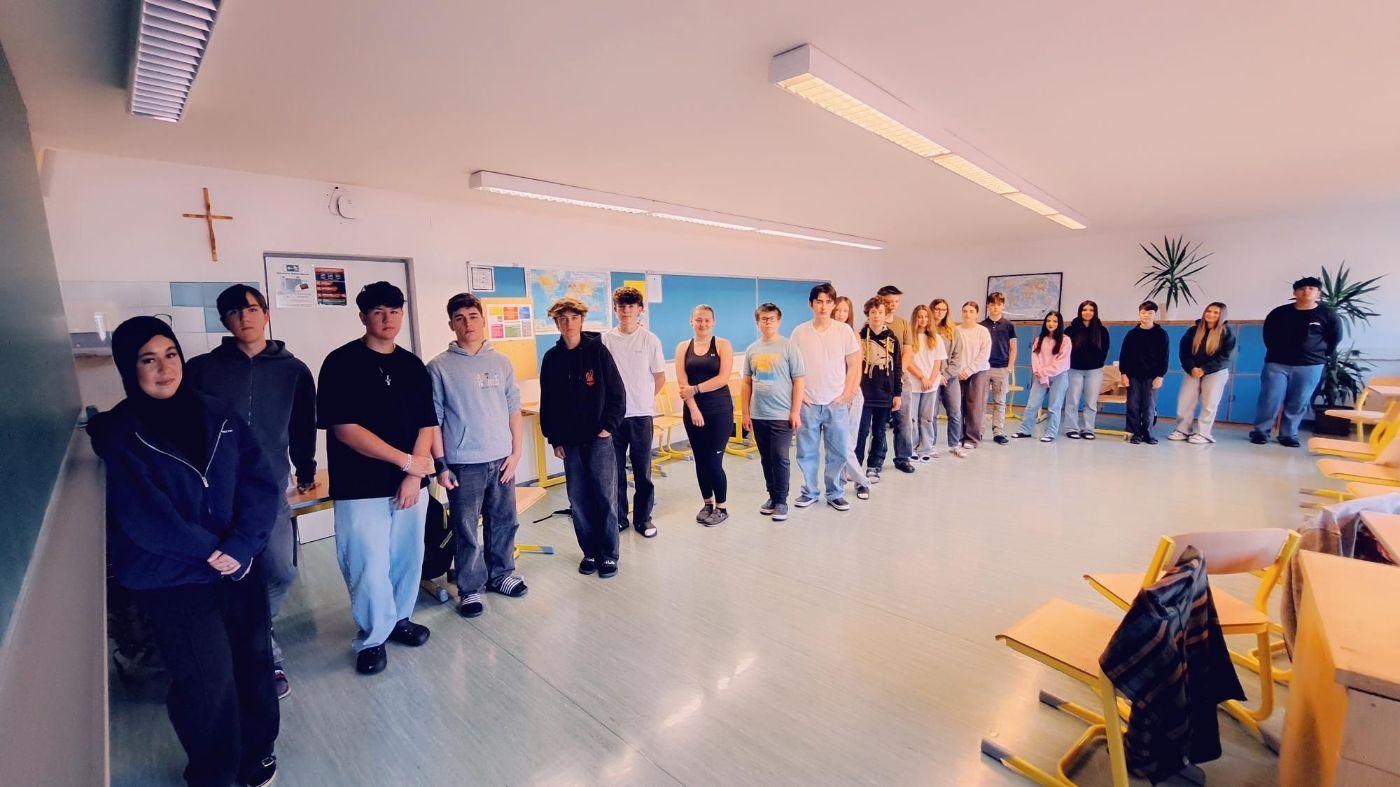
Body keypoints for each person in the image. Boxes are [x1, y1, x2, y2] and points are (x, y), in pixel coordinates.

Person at [88, 316, 281, 787]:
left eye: (171, 354)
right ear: (128, 368)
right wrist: (215, 551)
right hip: (172, 576)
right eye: (148, 360)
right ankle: (213, 772)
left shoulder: (219, 414)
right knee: (205, 679)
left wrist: (241, 545)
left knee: (252, 660)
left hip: (237, 565)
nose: (164, 368)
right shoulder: (119, 433)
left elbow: (259, 483)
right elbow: (144, 514)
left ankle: (256, 754)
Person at [185, 284, 316, 701]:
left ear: (266, 314)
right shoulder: (201, 369)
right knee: (230, 574)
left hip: (269, 488)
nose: (245, 317)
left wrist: (306, 468)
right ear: (224, 320)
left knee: (281, 571)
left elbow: (302, 426)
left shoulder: (294, 370)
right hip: (216, 494)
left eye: (253, 309)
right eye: (235, 312)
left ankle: (255, 633)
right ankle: (263, 655)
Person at [317, 281, 437, 675]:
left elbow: (427, 423)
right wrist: (406, 463)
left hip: (409, 483)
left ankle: (400, 618)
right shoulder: (341, 362)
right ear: (363, 317)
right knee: (367, 561)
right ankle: (372, 636)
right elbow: (345, 429)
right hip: (360, 484)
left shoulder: (412, 365)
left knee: (407, 555)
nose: (388, 319)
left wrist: (413, 475)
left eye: (395, 311)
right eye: (379, 312)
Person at [428, 293, 528, 620]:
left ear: (482, 320)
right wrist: (441, 465)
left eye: (472, 316)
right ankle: (470, 587)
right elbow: (433, 421)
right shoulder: (439, 367)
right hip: (463, 463)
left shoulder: (501, 362)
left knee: (504, 521)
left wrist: (516, 452)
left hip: (501, 459)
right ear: (451, 324)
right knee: (466, 527)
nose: (467, 323)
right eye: (459, 318)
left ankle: (501, 574)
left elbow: (513, 409)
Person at [539, 297, 626, 577]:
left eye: (574, 318)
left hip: (599, 439)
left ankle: (609, 554)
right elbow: (548, 402)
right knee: (578, 500)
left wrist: (608, 428)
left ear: (581, 321)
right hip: (570, 442)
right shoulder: (551, 359)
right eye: (562, 319)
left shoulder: (598, 352)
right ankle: (589, 552)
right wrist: (554, 439)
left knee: (605, 497)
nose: (568, 323)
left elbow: (617, 394)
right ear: (556, 323)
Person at [601, 286, 666, 538]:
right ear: (615, 309)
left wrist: (644, 400)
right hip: (612, 418)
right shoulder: (605, 340)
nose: (626, 311)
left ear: (640, 310)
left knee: (642, 471)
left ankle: (643, 518)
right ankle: (619, 518)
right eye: (621, 306)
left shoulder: (650, 339)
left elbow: (659, 377)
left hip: (641, 415)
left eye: (631, 306)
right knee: (615, 472)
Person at [791, 283, 862, 511]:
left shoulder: (844, 331)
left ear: (833, 304)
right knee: (806, 452)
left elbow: (854, 364)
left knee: (838, 452)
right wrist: (799, 397)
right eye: (819, 302)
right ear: (811, 304)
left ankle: (835, 493)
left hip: (836, 403)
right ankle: (810, 492)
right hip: (808, 403)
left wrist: (847, 393)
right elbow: (792, 367)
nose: (823, 306)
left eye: (828, 302)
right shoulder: (799, 332)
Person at [1250, 276, 1342, 447]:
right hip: (1277, 363)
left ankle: (1288, 434)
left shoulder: (1328, 315)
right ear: (1295, 293)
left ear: (1318, 293)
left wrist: (1319, 355)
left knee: (1299, 401)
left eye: (1311, 288)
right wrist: (1276, 352)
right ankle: (1260, 431)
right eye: (1302, 288)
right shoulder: (1279, 313)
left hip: (1310, 365)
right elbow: (1268, 335)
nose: (1306, 291)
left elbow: (1334, 339)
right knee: (1270, 398)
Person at [742, 303, 806, 522]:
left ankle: (781, 501)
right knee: (766, 458)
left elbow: (799, 380)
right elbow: (746, 383)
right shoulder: (752, 349)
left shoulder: (789, 347)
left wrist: (795, 411)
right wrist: (745, 413)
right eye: (763, 319)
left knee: (780, 457)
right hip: (759, 414)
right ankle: (772, 496)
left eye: (771, 319)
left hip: (782, 414)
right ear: (757, 322)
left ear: (778, 321)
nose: (767, 322)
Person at [675, 305, 735, 527]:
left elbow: (722, 378)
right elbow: (683, 383)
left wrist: (696, 389)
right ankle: (707, 503)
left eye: (707, 320)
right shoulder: (683, 347)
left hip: (719, 411)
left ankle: (722, 507)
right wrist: (693, 408)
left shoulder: (722, 345)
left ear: (713, 322)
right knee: (700, 459)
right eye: (698, 319)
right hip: (693, 412)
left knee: (713, 461)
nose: (703, 324)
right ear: (691, 321)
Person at [1171, 302, 1236, 444]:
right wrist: (1192, 368)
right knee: (1185, 401)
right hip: (1193, 370)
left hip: (1215, 372)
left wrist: (1204, 369)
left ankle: (1203, 433)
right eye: (1209, 311)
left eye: (1216, 312)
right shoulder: (1193, 330)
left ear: (1222, 316)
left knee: (1209, 403)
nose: (1211, 314)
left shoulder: (1227, 333)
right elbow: (1184, 351)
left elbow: (1226, 356)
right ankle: (1182, 430)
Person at [855, 297, 903, 483]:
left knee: (879, 431)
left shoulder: (893, 339)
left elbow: (897, 368)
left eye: (880, 312)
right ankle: (855, 465)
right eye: (873, 312)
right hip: (863, 394)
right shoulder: (858, 337)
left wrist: (897, 393)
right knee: (860, 432)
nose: (876, 316)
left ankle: (874, 466)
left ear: (886, 315)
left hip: (884, 394)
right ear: (868, 314)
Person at [1011, 310, 1073, 442]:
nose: (1051, 323)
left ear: (1059, 323)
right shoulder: (1039, 340)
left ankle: (1050, 433)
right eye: (1048, 320)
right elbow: (1035, 358)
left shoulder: (1066, 340)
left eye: (1055, 321)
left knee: (1054, 407)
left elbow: (1061, 362)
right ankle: (1024, 430)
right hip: (1040, 376)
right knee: (1032, 405)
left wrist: (1044, 372)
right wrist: (1041, 374)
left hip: (1059, 376)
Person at [833, 296, 872, 500]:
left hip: (852, 395)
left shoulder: (852, 334)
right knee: (840, 443)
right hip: (833, 395)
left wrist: (850, 391)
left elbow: (857, 367)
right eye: (838, 310)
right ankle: (855, 481)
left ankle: (860, 481)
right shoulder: (828, 333)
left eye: (844, 311)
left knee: (848, 442)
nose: (840, 314)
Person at [877, 285, 917, 473]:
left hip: (901, 379)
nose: (892, 305)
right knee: (879, 423)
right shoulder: (872, 322)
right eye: (888, 302)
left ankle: (903, 458)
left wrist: (898, 375)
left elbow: (908, 351)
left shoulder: (903, 324)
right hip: (879, 380)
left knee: (904, 421)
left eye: (896, 301)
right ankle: (876, 460)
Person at [1119, 300, 1170, 445]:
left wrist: (1160, 375)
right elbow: (1124, 355)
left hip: (1152, 377)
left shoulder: (1161, 334)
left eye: (1150, 313)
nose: (1146, 315)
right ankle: (1134, 433)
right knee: (1133, 405)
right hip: (1133, 376)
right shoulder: (1132, 334)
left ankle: (1147, 433)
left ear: (1155, 315)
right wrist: (1123, 374)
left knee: (1149, 406)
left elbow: (1164, 357)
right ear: (1139, 314)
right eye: (1143, 312)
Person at [1062, 300, 1111, 440]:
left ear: (1095, 312)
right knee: (1072, 400)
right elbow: (1065, 350)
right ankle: (1071, 428)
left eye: (1091, 310)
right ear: (1080, 311)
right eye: (1084, 309)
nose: (1087, 312)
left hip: (1094, 371)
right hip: (1074, 370)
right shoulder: (1070, 330)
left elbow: (1105, 349)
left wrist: (1098, 363)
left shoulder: (1102, 330)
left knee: (1091, 402)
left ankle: (1088, 429)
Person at [903, 304, 946, 461]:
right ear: (915, 318)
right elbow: (908, 362)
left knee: (927, 418)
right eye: (920, 316)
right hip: (914, 383)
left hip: (930, 385)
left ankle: (926, 448)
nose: (923, 319)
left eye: (926, 316)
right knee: (912, 418)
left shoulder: (936, 339)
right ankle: (912, 448)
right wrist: (922, 377)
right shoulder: (909, 338)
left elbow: (938, 362)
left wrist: (931, 380)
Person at [930, 299, 968, 459]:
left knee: (955, 411)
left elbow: (957, 357)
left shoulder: (953, 330)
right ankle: (930, 445)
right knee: (931, 414)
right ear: (931, 310)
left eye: (943, 309)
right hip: (931, 378)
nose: (940, 312)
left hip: (950, 378)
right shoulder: (926, 329)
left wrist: (945, 375)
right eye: (937, 309)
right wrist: (936, 376)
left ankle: (954, 444)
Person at [981, 292, 1019, 445]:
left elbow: (1013, 348)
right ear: (988, 306)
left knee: (1000, 402)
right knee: (981, 402)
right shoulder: (982, 325)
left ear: (1003, 306)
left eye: (998, 304)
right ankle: (979, 431)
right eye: (992, 304)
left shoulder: (1009, 325)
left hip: (1002, 368)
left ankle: (998, 432)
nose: (995, 307)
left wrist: (1009, 367)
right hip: (984, 368)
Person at [957, 301, 993, 449]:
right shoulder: (956, 330)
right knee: (957, 405)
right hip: (958, 373)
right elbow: (953, 352)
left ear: (977, 314)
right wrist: (958, 370)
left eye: (971, 311)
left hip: (978, 372)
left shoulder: (982, 331)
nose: (967, 314)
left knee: (975, 406)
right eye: (965, 311)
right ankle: (958, 436)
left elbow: (984, 355)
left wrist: (968, 370)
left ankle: (972, 439)